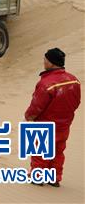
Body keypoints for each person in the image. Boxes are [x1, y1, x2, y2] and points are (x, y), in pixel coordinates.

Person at [24, 47, 80, 187]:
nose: (44, 61)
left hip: (45, 124)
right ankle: (54, 178)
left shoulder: (46, 84)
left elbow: (36, 106)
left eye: (46, 59)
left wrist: (28, 117)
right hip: (64, 126)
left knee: (40, 152)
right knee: (57, 151)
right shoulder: (74, 80)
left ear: (52, 62)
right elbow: (76, 102)